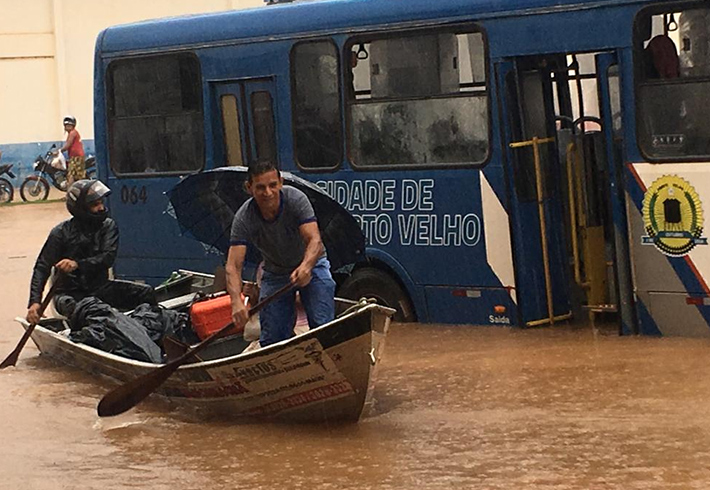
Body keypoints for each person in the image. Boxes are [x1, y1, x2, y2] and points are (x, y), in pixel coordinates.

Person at [225, 161, 336, 347]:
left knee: (322, 324)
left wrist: (306, 266)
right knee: (273, 338)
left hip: (312, 265)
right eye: (260, 187)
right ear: (249, 188)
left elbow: (314, 240)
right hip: (275, 273)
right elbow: (233, 266)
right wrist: (236, 301)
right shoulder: (244, 218)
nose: (267, 193)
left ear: (281, 183)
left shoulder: (296, 200)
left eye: (272, 185)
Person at [26, 179, 156, 324]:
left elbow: (107, 258)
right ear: (81, 208)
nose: (101, 208)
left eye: (101, 202)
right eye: (95, 205)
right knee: (88, 309)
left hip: (100, 288)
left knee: (146, 292)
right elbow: (42, 267)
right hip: (68, 294)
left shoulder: (108, 226)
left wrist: (77, 264)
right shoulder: (60, 232)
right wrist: (35, 302)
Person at [60, 115, 85, 187]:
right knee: (77, 176)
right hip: (76, 156)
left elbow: (68, 145)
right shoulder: (72, 133)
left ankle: (69, 193)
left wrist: (59, 151)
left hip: (76, 157)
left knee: (71, 175)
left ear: (73, 125)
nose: (67, 127)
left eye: (69, 125)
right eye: (66, 125)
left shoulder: (73, 133)